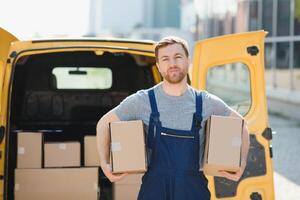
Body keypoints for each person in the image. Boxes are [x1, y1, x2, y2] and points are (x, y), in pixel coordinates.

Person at [96, 36, 250, 200]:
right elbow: (104, 123)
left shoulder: (206, 102)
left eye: (178, 57)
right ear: (158, 66)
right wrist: (104, 163)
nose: (172, 64)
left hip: (193, 191)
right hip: (154, 190)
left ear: (188, 61)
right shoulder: (142, 101)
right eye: (165, 59)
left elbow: (242, 126)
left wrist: (241, 162)